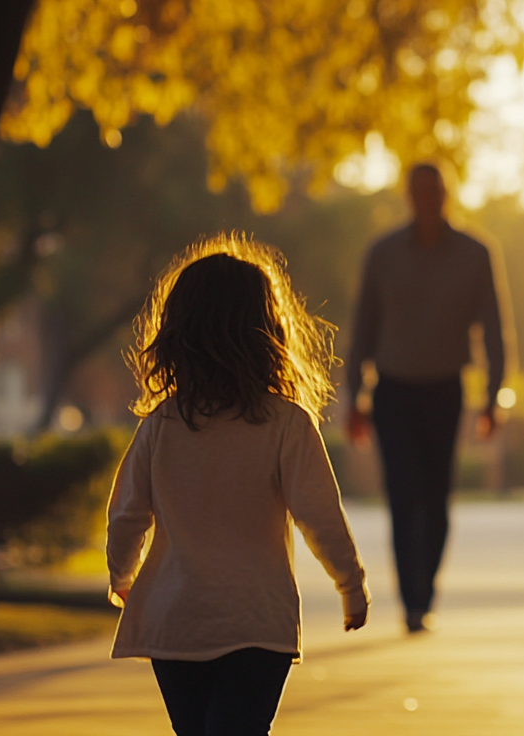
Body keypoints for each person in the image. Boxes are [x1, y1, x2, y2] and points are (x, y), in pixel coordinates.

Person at [106, 234, 369, 736]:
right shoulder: (285, 424)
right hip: (256, 621)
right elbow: (319, 515)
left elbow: (127, 515)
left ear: (179, 331)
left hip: (176, 621)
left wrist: (123, 574)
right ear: (267, 330)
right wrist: (350, 585)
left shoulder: (161, 426)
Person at [346, 162, 510, 633]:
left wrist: (493, 398)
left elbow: (495, 329)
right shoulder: (382, 253)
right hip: (393, 389)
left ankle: (426, 592)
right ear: (408, 196)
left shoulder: (476, 253)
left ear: (447, 195)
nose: (427, 200)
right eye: (418, 192)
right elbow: (363, 328)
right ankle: (410, 603)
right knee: (401, 494)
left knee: (436, 496)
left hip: (444, 388)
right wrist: (355, 398)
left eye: (435, 191)